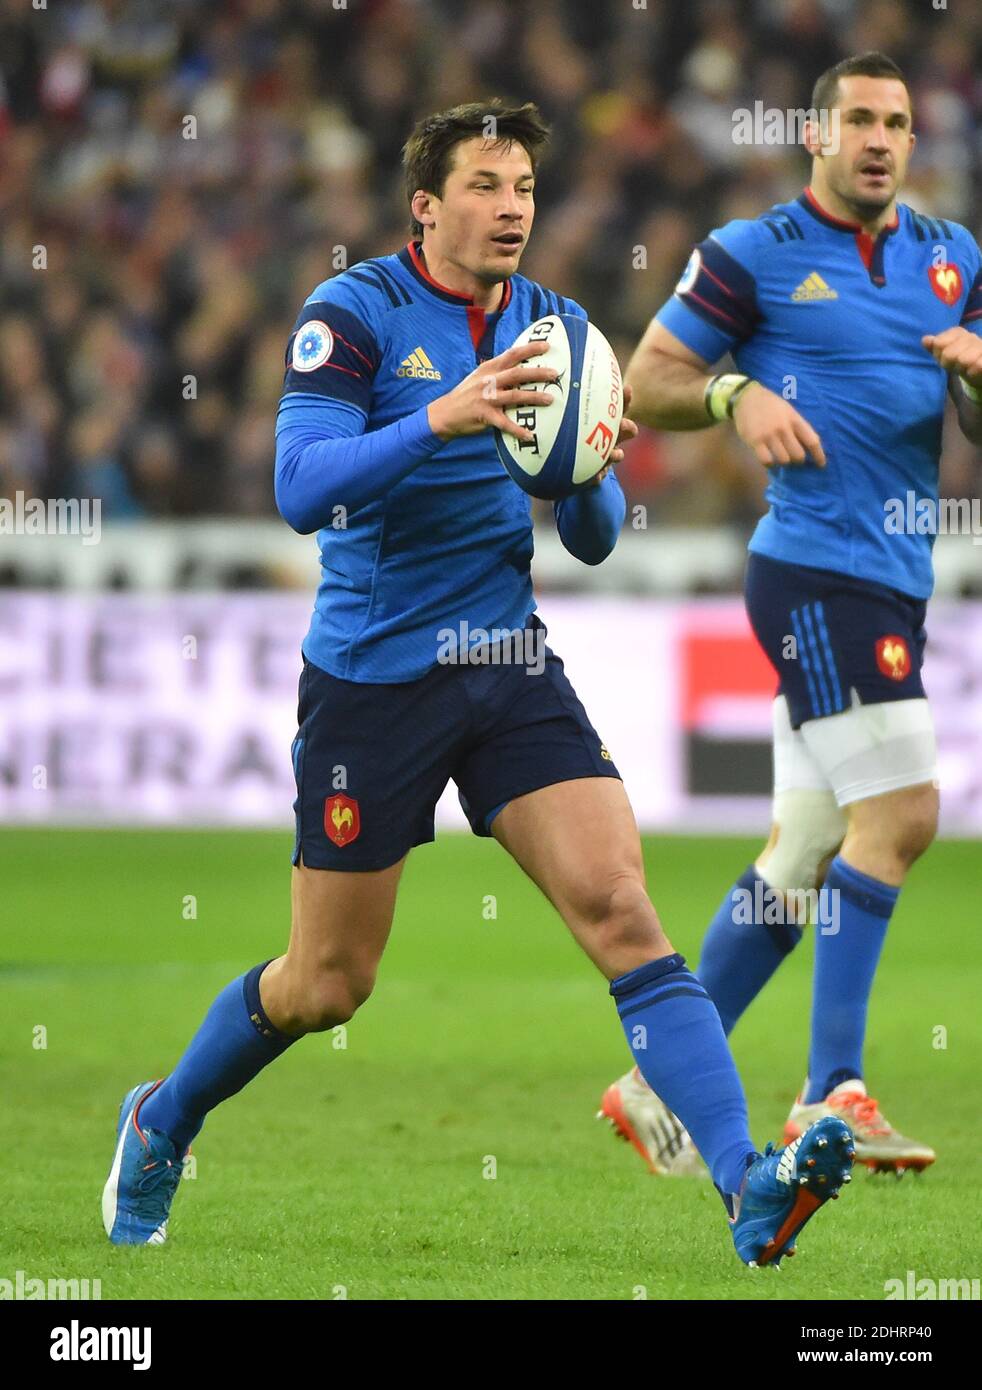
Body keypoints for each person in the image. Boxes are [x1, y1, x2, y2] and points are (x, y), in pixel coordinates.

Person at [102, 100, 852, 1267]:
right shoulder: (350, 314)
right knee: (326, 983)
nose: (513, 209)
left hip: (507, 665)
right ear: (426, 204)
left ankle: (745, 1187)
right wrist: (443, 418)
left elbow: (593, 533)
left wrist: (585, 468)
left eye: (525, 191)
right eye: (488, 187)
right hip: (372, 681)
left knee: (622, 914)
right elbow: (300, 490)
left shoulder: (556, 326)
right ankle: (162, 1121)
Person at [600, 53, 982, 1178]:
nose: (878, 138)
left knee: (813, 843)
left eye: (897, 122)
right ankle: (830, 1089)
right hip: (815, 571)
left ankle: (653, 1079)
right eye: (857, 119)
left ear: (914, 143)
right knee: (902, 813)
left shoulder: (955, 261)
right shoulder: (753, 253)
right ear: (816, 135)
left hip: (892, 575)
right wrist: (735, 392)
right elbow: (646, 378)